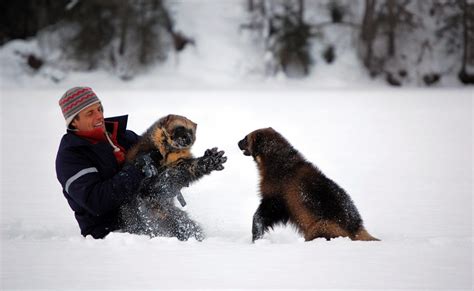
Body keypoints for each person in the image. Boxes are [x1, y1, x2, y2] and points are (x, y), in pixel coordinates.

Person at [55, 87, 148, 238]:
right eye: (90, 113)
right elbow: (96, 202)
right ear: (74, 122)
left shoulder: (122, 136)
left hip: (148, 216)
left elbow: (156, 155)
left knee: (191, 235)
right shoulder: (71, 157)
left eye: (99, 109)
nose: (99, 116)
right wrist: (137, 170)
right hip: (110, 234)